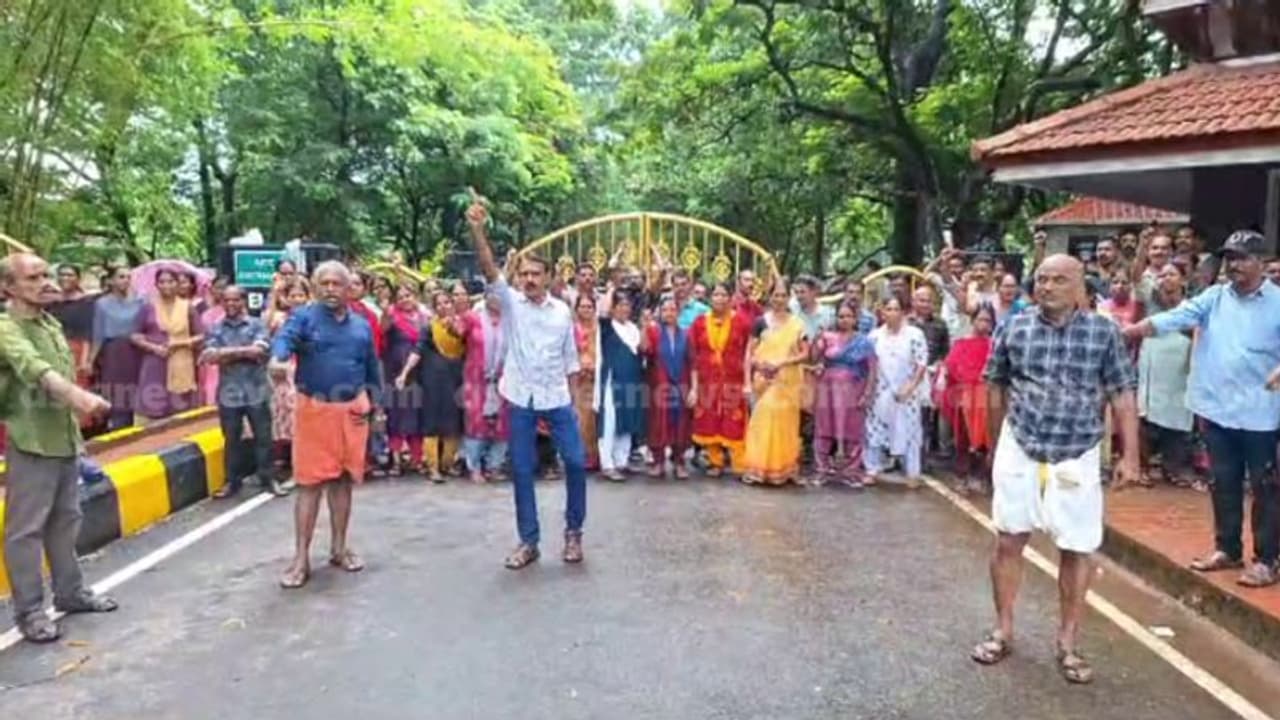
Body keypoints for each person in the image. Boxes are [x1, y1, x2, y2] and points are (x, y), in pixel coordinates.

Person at [973, 254, 1139, 685]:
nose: (1047, 287)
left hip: (1078, 449)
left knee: (1077, 547)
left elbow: (1122, 394)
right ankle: (1003, 630)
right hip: (1021, 443)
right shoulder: (1014, 326)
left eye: (1059, 280)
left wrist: (1131, 456)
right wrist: (994, 445)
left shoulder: (1104, 332)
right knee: (1009, 538)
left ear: (1081, 286)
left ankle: (1068, 643)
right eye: (1042, 279)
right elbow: (994, 384)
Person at [1127, 230, 1280, 588]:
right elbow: (1174, 318)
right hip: (1217, 409)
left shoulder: (1277, 301)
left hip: (1262, 414)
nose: (1234, 265)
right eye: (1229, 258)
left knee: (1266, 488)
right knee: (1222, 481)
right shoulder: (1214, 297)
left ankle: (1267, 559)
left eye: (1242, 258)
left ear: (1261, 262)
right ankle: (1226, 548)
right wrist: (1131, 331)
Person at [466, 190, 587, 569]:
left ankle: (573, 533)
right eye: (525, 274)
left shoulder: (563, 312)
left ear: (549, 277)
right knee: (521, 469)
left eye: (537, 274)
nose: (531, 279)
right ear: (518, 278)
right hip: (519, 395)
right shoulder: (511, 303)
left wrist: (576, 402)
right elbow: (488, 268)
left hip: (556, 397)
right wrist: (477, 230)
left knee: (577, 462)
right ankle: (529, 541)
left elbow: (571, 360)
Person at [0, 253, 116, 643]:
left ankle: (70, 592)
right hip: (30, 441)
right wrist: (79, 399)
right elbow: (35, 369)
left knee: (67, 519)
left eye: (45, 274)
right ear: (8, 288)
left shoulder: (49, 322)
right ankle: (30, 611)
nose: (44, 281)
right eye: (32, 278)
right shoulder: (6, 327)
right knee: (25, 531)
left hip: (64, 439)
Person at [269, 262, 381, 589]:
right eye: (324, 283)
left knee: (343, 481)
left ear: (349, 289)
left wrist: (377, 409)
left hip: (353, 410)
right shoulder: (304, 317)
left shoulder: (361, 326)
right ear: (316, 288)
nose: (331, 289)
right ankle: (301, 558)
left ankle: (339, 548)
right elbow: (284, 341)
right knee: (309, 484)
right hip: (314, 409)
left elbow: (372, 369)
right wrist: (278, 360)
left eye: (337, 283)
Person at [201, 286, 284, 498]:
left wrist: (225, 353)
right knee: (231, 440)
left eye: (235, 300)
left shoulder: (257, 325)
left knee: (264, 438)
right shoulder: (215, 327)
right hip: (229, 393)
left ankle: (269, 478)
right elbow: (210, 356)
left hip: (256, 389)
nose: (230, 304)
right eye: (226, 300)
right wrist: (243, 351)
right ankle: (232, 482)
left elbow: (260, 351)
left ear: (243, 301)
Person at [741, 280, 809, 485]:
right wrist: (748, 380)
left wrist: (781, 362)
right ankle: (758, 469)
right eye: (776, 295)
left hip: (788, 380)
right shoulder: (760, 322)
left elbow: (805, 353)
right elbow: (749, 354)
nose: (779, 300)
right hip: (764, 380)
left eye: (783, 295)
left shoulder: (797, 324)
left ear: (789, 298)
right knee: (763, 421)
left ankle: (783, 469)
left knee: (786, 425)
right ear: (770, 297)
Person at [1135, 263, 1194, 488]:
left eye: (1171, 274)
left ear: (1183, 280)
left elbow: (1198, 332)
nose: (1165, 279)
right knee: (1145, 418)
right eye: (1161, 275)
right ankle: (1143, 467)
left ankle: (1174, 468)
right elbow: (1135, 277)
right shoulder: (1150, 304)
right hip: (1151, 369)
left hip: (1180, 369)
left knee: (1178, 419)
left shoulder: (1191, 308)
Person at [398, 290, 466, 482]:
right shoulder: (429, 328)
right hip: (433, 380)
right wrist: (404, 373)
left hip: (456, 379)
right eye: (439, 304)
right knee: (432, 423)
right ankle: (433, 468)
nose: (444, 307)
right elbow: (417, 351)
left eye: (447, 302)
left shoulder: (463, 326)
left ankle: (448, 464)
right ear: (433, 308)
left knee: (453, 422)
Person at [688, 282, 753, 476]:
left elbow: (748, 353)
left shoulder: (742, 321)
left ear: (731, 298)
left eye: (724, 294)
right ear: (710, 298)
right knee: (710, 421)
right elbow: (693, 355)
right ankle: (715, 462)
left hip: (734, 380)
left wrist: (748, 383)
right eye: (716, 294)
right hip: (707, 381)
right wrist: (694, 386)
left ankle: (740, 465)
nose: (720, 299)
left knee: (735, 422)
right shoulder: (699, 322)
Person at [864, 297, 928, 486]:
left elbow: (921, 362)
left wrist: (910, 386)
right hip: (880, 390)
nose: (891, 313)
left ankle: (912, 472)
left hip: (907, 391)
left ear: (903, 312)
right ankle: (872, 468)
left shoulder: (915, 334)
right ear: (882, 312)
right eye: (888, 309)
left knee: (909, 430)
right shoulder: (874, 336)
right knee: (874, 429)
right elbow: (870, 364)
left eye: (895, 309)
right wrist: (870, 389)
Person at [811, 303, 876, 486]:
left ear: (855, 319)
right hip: (827, 388)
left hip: (853, 389)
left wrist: (867, 393)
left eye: (848, 316)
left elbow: (872, 369)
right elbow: (815, 358)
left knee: (852, 429)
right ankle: (822, 469)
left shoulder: (864, 342)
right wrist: (817, 340)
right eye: (840, 316)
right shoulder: (828, 337)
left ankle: (850, 471)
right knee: (824, 427)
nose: (844, 320)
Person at [131, 268, 204, 423]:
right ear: (156, 285)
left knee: (179, 409)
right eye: (162, 282)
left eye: (171, 281)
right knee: (152, 406)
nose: (166, 285)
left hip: (181, 362)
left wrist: (180, 343)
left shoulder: (187, 307)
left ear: (178, 284)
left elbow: (202, 336)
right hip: (154, 362)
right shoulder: (148, 307)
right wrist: (155, 348)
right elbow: (135, 336)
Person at [940, 304, 996, 494]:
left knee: (984, 441)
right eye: (980, 319)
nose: (984, 323)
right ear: (972, 321)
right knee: (963, 439)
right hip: (964, 398)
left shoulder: (995, 345)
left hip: (987, 399)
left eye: (988, 320)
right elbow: (951, 367)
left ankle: (979, 477)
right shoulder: (961, 344)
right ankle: (961, 477)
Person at [595, 288, 647, 481]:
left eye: (627, 305)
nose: (625, 309)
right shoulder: (607, 327)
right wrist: (613, 285)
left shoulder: (633, 329)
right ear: (614, 308)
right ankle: (607, 464)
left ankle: (621, 461)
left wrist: (645, 325)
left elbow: (643, 349)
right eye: (621, 305)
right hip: (612, 380)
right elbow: (603, 310)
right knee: (610, 421)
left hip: (631, 380)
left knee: (627, 420)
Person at [457, 288, 508, 483]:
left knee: (503, 425)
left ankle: (494, 465)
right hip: (477, 379)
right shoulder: (472, 318)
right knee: (476, 424)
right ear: (485, 297)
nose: (496, 299)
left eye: (500, 295)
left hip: (504, 379)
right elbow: (456, 337)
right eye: (492, 295)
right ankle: (474, 466)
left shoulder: (510, 321)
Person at [644, 297, 693, 478]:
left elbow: (692, 362)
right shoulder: (654, 332)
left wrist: (694, 389)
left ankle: (679, 462)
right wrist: (644, 326)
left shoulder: (686, 334)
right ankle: (658, 462)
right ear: (660, 313)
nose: (669, 313)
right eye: (665, 310)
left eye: (672, 309)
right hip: (659, 385)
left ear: (678, 313)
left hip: (681, 384)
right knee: (659, 423)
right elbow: (644, 350)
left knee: (680, 423)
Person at [381, 283, 426, 476]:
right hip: (396, 373)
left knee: (417, 417)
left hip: (421, 373)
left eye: (408, 295)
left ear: (415, 296)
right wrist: (385, 313)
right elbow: (383, 329)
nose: (405, 299)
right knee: (396, 417)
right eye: (400, 297)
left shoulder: (425, 317)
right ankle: (397, 461)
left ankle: (417, 459)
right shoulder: (393, 317)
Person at [90, 265, 143, 430]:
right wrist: (90, 360)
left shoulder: (141, 301)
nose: (125, 280)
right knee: (117, 392)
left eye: (128, 277)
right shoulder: (102, 304)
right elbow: (98, 334)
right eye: (121, 277)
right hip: (114, 352)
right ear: (111, 281)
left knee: (140, 390)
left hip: (137, 350)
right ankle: (118, 426)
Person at [267, 277, 308, 478]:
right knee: (280, 414)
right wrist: (273, 295)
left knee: (297, 415)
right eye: (293, 295)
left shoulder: (313, 319)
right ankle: (282, 459)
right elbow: (267, 329)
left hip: (302, 371)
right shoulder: (279, 318)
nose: (297, 299)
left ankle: (299, 462)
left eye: (301, 295)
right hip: (280, 370)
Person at [572, 294, 600, 471]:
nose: (586, 310)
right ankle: (584, 455)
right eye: (582, 307)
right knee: (581, 418)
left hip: (597, 378)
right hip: (579, 379)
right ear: (576, 309)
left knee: (596, 418)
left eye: (589, 306)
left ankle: (597, 455)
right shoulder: (572, 330)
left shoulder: (600, 329)